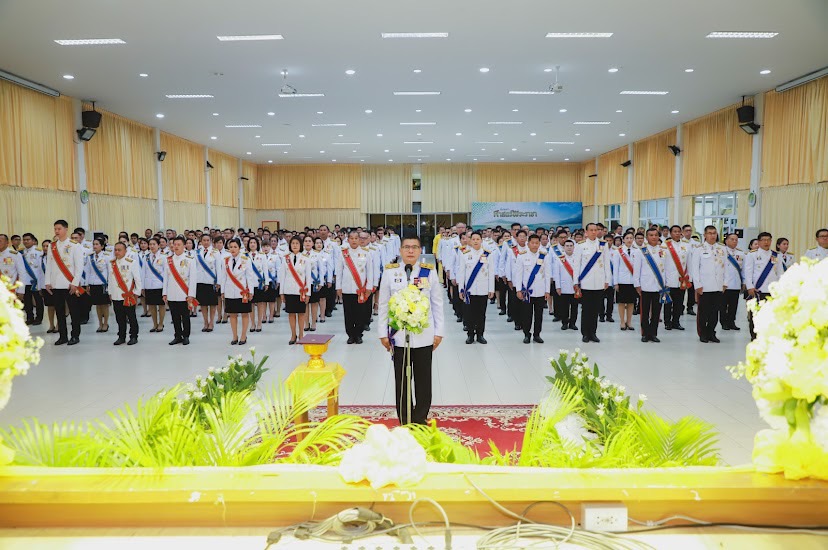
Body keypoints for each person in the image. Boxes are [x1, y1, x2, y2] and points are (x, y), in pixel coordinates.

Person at [378, 236, 443, 425]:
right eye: (406, 247)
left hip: (424, 335)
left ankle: (420, 417)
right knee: (402, 380)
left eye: (414, 247)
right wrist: (383, 333)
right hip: (398, 336)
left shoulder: (428, 273)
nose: (410, 251)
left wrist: (439, 332)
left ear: (420, 250)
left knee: (423, 379)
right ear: (400, 250)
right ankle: (405, 419)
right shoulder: (391, 273)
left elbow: (437, 303)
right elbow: (383, 305)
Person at [44, 220, 85, 345]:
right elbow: (49, 265)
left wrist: (75, 282)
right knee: (59, 311)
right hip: (56, 284)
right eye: (55, 229)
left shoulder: (74, 245)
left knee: (74, 311)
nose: (57, 231)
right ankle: (63, 336)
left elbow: (79, 266)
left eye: (59, 229)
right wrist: (47, 282)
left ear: (66, 229)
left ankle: (75, 335)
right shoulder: (52, 246)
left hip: (69, 284)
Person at [573, 223, 612, 343]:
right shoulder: (580, 245)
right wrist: (576, 282)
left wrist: (607, 280)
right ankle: (585, 333)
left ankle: (593, 333)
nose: (594, 232)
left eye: (596, 230)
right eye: (591, 230)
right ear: (586, 232)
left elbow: (606, 263)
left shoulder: (603, 245)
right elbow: (576, 264)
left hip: (599, 282)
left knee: (595, 310)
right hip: (586, 282)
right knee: (586, 310)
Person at [336, 230, 375, 345]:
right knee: (348, 313)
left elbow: (370, 272)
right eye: (351, 238)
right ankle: (350, 335)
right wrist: (338, 287)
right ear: (348, 240)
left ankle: (358, 334)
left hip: (361, 289)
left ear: (359, 240)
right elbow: (339, 272)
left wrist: (369, 288)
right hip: (347, 288)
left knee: (360, 313)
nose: (354, 240)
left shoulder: (366, 253)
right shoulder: (343, 253)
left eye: (356, 238)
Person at [457, 231, 495, 344]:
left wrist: (491, 289)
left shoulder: (488, 254)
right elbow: (461, 273)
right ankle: (470, 335)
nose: (475, 241)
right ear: (470, 241)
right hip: (469, 290)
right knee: (469, 314)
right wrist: (460, 289)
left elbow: (491, 272)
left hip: (483, 290)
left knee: (481, 314)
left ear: (481, 240)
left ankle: (480, 335)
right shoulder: (464, 253)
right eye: (473, 239)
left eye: (478, 239)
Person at [691, 226, 726, 343]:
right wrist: (697, 285)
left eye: (714, 233)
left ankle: (712, 332)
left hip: (718, 286)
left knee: (715, 311)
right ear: (705, 235)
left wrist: (725, 283)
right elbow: (694, 269)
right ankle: (703, 333)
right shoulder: (699, 249)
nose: (712, 235)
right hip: (704, 286)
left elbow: (725, 267)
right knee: (703, 312)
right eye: (710, 233)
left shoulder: (722, 248)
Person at [744, 232, 782, 341]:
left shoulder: (776, 255)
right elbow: (748, 272)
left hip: (772, 291)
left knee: (770, 315)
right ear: (759, 242)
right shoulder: (752, 254)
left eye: (768, 240)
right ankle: (754, 337)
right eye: (763, 240)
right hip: (757, 290)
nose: (766, 242)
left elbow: (780, 273)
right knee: (755, 315)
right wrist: (750, 287)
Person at [514, 234, 551, 344]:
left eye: (537, 243)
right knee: (526, 314)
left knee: (539, 314)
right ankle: (526, 334)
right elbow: (518, 274)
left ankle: (537, 334)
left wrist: (547, 290)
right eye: (532, 243)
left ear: (539, 244)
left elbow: (548, 274)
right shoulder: (522, 256)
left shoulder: (544, 256)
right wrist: (518, 290)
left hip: (540, 290)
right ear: (528, 243)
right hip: (527, 291)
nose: (534, 245)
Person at [634, 228, 668, 343]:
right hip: (645, 285)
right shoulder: (641, 251)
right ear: (646, 237)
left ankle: (653, 333)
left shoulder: (663, 250)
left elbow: (666, 269)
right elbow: (636, 270)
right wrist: (637, 284)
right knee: (644, 311)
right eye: (651, 235)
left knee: (656, 311)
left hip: (659, 286)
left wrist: (666, 283)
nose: (653, 237)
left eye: (655, 235)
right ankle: (645, 333)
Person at [221, 238, 258, 345]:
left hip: (242, 291)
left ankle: (243, 335)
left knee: (244, 314)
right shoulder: (226, 260)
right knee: (232, 314)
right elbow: (223, 277)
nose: (233, 249)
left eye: (235, 247)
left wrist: (251, 291)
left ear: (239, 248)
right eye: (231, 247)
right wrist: (222, 291)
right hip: (229, 291)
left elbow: (250, 276)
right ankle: (234, 335)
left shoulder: (245, 259)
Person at [162, 236, 197, 346]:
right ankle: (177, 335)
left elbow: (193, 278)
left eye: (178, 245)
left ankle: (186, 336)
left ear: (184, 246)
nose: (176, 247)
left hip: (184, 293)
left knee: (185, 316)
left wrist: (191, 294)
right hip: (172, 293)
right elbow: (165, 278)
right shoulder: (168, 260)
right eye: (174, 244)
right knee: (174, 316)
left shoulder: (190, 260)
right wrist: (165, 293)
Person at [108, 242, 142, 346]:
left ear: (125, 251)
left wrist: (136, 293)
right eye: (115, 250)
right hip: (116, 295)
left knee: (131, 317)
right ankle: (121, 336)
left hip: (128, 295)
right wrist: (110, 292)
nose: (117, 252)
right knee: (119, 317)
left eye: (119, 250)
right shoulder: (111, 263)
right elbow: (110, 279)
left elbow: (137, 279)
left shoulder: (131, 262)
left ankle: (133, 336)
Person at [279, 236, 311, 345]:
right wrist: (281, 293)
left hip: (301, 291)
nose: (295, 245)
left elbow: (308, 277)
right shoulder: (285, 258)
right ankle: (293, 334)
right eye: (293, 243)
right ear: (290, 245)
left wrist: (308, 293)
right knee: (291, 313)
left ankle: (301, 334)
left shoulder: (306, 258)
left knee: (301, 314)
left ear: (301, 245)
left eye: (297, 243)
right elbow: (282, 277)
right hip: (289, 290)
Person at [663, 225, 693, 331]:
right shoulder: (665, 246)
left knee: (679, 303)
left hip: (682, 279)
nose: (677, 233)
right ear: (670, 233)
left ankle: (676, 322)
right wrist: (663, 280)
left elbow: (689, 263)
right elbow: (662, 264)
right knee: (668, 303)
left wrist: (689, 278)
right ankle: (667, 322)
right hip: (669, 279)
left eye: (678, 231)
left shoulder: (686, 246)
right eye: (674, 231)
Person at [613, 232, 638, 331]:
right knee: (622, 302)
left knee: (631, 302)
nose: (629, 240)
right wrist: (615, 282)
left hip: (633, 281)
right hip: (621, 280)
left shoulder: (637, 251)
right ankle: (622, 322)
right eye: (627, 238)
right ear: (623, 239)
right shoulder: (617, 251)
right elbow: (615, 268)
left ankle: (629, 321)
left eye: (631, 238)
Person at [195, 234, 220, 332]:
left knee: (212, 303)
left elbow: (218, 267)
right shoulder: (196, 252)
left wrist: (218, 282)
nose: (206, 242)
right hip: (200, 281)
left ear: (210, 241)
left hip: (211, 281)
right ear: (200, 241)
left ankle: (211, 322)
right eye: (204, 240)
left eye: (207, 240)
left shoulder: (215, 252)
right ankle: (205, 322)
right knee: (203, 304)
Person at [85, 238, 111, 333]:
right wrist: (87, 284)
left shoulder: (107, 256)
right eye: (94, 244)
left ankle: (106, 323)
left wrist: (109, 285)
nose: (95, 246)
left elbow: (109, 271)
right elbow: (87, 271)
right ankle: (100, 323)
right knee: (97, 305)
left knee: (104, 304)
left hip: (103, 283)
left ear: (102, 246)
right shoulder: (89, 257)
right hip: (93, 283)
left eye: (97, 244)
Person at [552, 239, 579, 331]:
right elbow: (556, 274)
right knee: (564, 306)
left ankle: (573, 323)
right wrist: (558, 287)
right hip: (563, 287)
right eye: (567, 246)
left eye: (571, 246)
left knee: (574, 307)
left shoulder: (578, 258)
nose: (569, 248)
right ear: (564, 247)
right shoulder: (559, 259)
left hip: (575, 287)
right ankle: (564, 323)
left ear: (574, 247)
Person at [17, 233, 44, 326]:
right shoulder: (20, 252)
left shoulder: (38, 251)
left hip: (36, 280)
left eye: (28, 239)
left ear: (33, 241)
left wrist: (41, 282)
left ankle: (39, 318)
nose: (25, 241)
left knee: (38, 300)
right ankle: (29, 317)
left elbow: (41, 268)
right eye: (24, 240)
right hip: (25, 281)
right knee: (27, 301)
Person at [721, 233, 745, 331]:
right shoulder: (721, 251)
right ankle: (724, 323)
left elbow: (743, 269)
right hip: (724, 284)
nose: (734, 241)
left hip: (736, 283)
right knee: (723, 306)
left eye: (736, 240)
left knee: (734, 305)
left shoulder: (741, 253)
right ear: (726, 241)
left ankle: (732, 322)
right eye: (732, 239)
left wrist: (743, 282)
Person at [143, 237, 167, 333]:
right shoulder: (146, 257)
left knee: (161, 305)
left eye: (154, 244)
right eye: (150, 244)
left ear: (158, 245)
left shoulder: (163, 257)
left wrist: (165, 288)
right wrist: (143, 287)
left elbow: (165, 273)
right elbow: (143, 272)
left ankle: (161, 323)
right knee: (151, 305)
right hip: (149, 285)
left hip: (159, 284)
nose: (152, 246)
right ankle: (154, 324)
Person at [246, 237, 270, 333]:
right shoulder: (245, 256)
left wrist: (267, 282)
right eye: (250, 242)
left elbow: (265, 270)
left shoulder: (262, 255)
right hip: (249, 284)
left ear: (257, 245)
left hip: (259, 283)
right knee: (250, 304)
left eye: (254, 243)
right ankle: (252, 323)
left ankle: (259, 323)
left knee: (260, 303)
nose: (252, 244)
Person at [681, 224, 699, 316]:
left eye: (690, 230)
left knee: (691, 290)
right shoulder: (680, 243)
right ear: (683, 232)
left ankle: (690, 307)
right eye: (686, 231)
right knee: (682, 290)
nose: (688, 232)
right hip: (683, 270)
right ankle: (680, 307)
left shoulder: (696, 243)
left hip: (693, 270)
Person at [40, 239, 57, 333]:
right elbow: (39, 273)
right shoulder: (40, 258)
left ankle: (58, 325)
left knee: (58, 306)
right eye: (44, 246)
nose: (45, 248)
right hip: (45, 286)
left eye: (47, 246)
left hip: (55, 285)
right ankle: (51, 325)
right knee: (49, 306)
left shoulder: (56, 258)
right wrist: (39, 286)